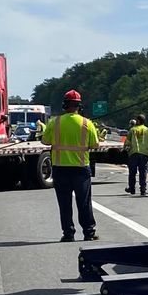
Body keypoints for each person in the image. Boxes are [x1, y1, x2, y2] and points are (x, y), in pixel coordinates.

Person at [40, 89, 100, 241]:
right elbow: (95, 144)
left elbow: (45, 141)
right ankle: (89, 233)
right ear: (79, 106)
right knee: (84, 202)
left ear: (64, 105)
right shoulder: (87, 123)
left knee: (64, 203)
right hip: (81, 169)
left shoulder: (55, 122)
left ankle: (68, 234)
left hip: (60, 169)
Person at [125, 115, 148, 195]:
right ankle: (143, 189)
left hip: (134, 153)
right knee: (143, 172)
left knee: (132, 172)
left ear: (138, 121)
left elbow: (127, 143)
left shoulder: (132, 130)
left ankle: (132, 188)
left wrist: (126, 152)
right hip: (145, 154)